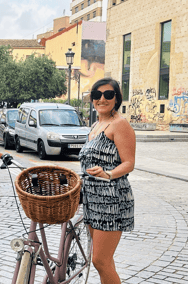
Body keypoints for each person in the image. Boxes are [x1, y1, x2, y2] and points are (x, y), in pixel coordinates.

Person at [78, 77, 135, 284]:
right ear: (92, 99)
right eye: (97, 95)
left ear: (117, 98)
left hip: (112, 200)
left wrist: (108, 174)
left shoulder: (119, 124)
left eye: (108, 94)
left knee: (100, 260)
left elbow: (128, 163)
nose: (102, 99)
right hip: (93, 200)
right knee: (105, 261)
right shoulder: (96, 125)